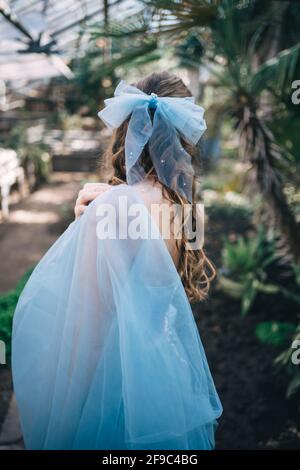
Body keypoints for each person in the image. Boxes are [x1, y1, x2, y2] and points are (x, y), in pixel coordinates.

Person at [12, 72, 222, 450]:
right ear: (185, 139)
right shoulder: (190, 209)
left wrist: (65, 418)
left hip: (115, 384)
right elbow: (172, 291)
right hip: (167, 375)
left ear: (126, 132)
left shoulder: (113, 207)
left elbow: (90, 331)